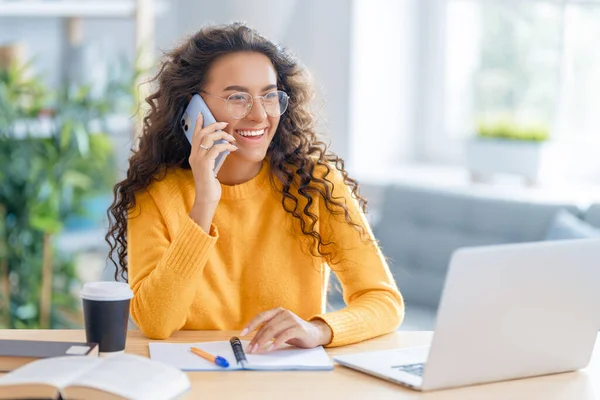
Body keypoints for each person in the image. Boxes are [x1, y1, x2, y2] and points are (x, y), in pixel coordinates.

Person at [106, 23, 404, 352]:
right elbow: (156, 322)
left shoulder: (314, 181)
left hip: (287, 379)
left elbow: (383, 301)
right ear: (192, 108)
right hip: (197, 379)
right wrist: (205, 200)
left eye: (269, 96)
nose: (259, 115)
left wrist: (318, 330)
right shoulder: (155, 193)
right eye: (238, 98)